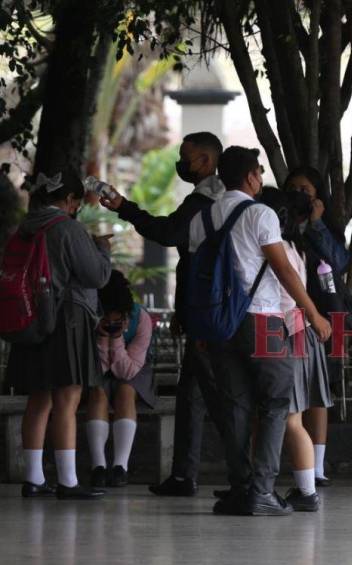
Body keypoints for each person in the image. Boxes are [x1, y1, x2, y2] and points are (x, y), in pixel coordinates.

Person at [189, 146, 331, 516]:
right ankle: (263, 491)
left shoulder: (202, 217)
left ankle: (240, 488)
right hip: (263, 320)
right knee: (274, 404)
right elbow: (284, 270)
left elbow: (194, 272)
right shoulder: (260, 213)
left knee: (235, 407)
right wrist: (313, 313)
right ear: (252, 176)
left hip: (220, 324)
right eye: (259, 173)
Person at [101, 132, 225, 497]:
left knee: (216, 397)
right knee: (194, 395)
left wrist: (125, 206)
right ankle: (187, 474)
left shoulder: (207, 199)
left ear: (205, 160)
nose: (182, 164)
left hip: (211, 315)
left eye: (186, 157)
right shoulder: (226, 200)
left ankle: (242, 478)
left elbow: (168, 232)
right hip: (208, 312)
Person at [7, 169, 111, 499]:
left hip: (30, 318)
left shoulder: (24, 227)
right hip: (67, 318)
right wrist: (102, 251)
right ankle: (68, 481)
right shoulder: (67, 228)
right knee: (68, 398)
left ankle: (34, 479)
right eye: (76, 202)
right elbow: (96, 276)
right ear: (69, 200)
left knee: (39, 399)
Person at [262, 187, 333, 512]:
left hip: (288, 334)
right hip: (301, 334)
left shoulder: (279, 250)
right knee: (292, 418)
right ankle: (301, 488)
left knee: (291, 420)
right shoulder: (295, 246)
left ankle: (306, 492)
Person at [283, 166, 351, 487]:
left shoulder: (324, 228)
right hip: (289, 316)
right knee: (294, 392)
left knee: (319, 393)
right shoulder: (279, 225)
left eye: (306, 189)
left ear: (318, 194)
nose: (300, 194)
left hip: (324, 316)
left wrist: (316, 223)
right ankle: (301, 464)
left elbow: (338, 261)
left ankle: (318, 467)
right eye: (293, 188)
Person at [86, 270, 155, 488]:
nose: (114, 322)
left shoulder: (141, 318)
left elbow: (128, 372)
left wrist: (115, 339)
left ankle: (120, 467)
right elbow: (98, 367)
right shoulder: (90, 318)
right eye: (109, 318)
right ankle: (98, 466)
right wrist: (102, 336)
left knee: (126, 391)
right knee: (98, 393)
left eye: (119, 319)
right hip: (98, 368)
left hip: (134, 367)